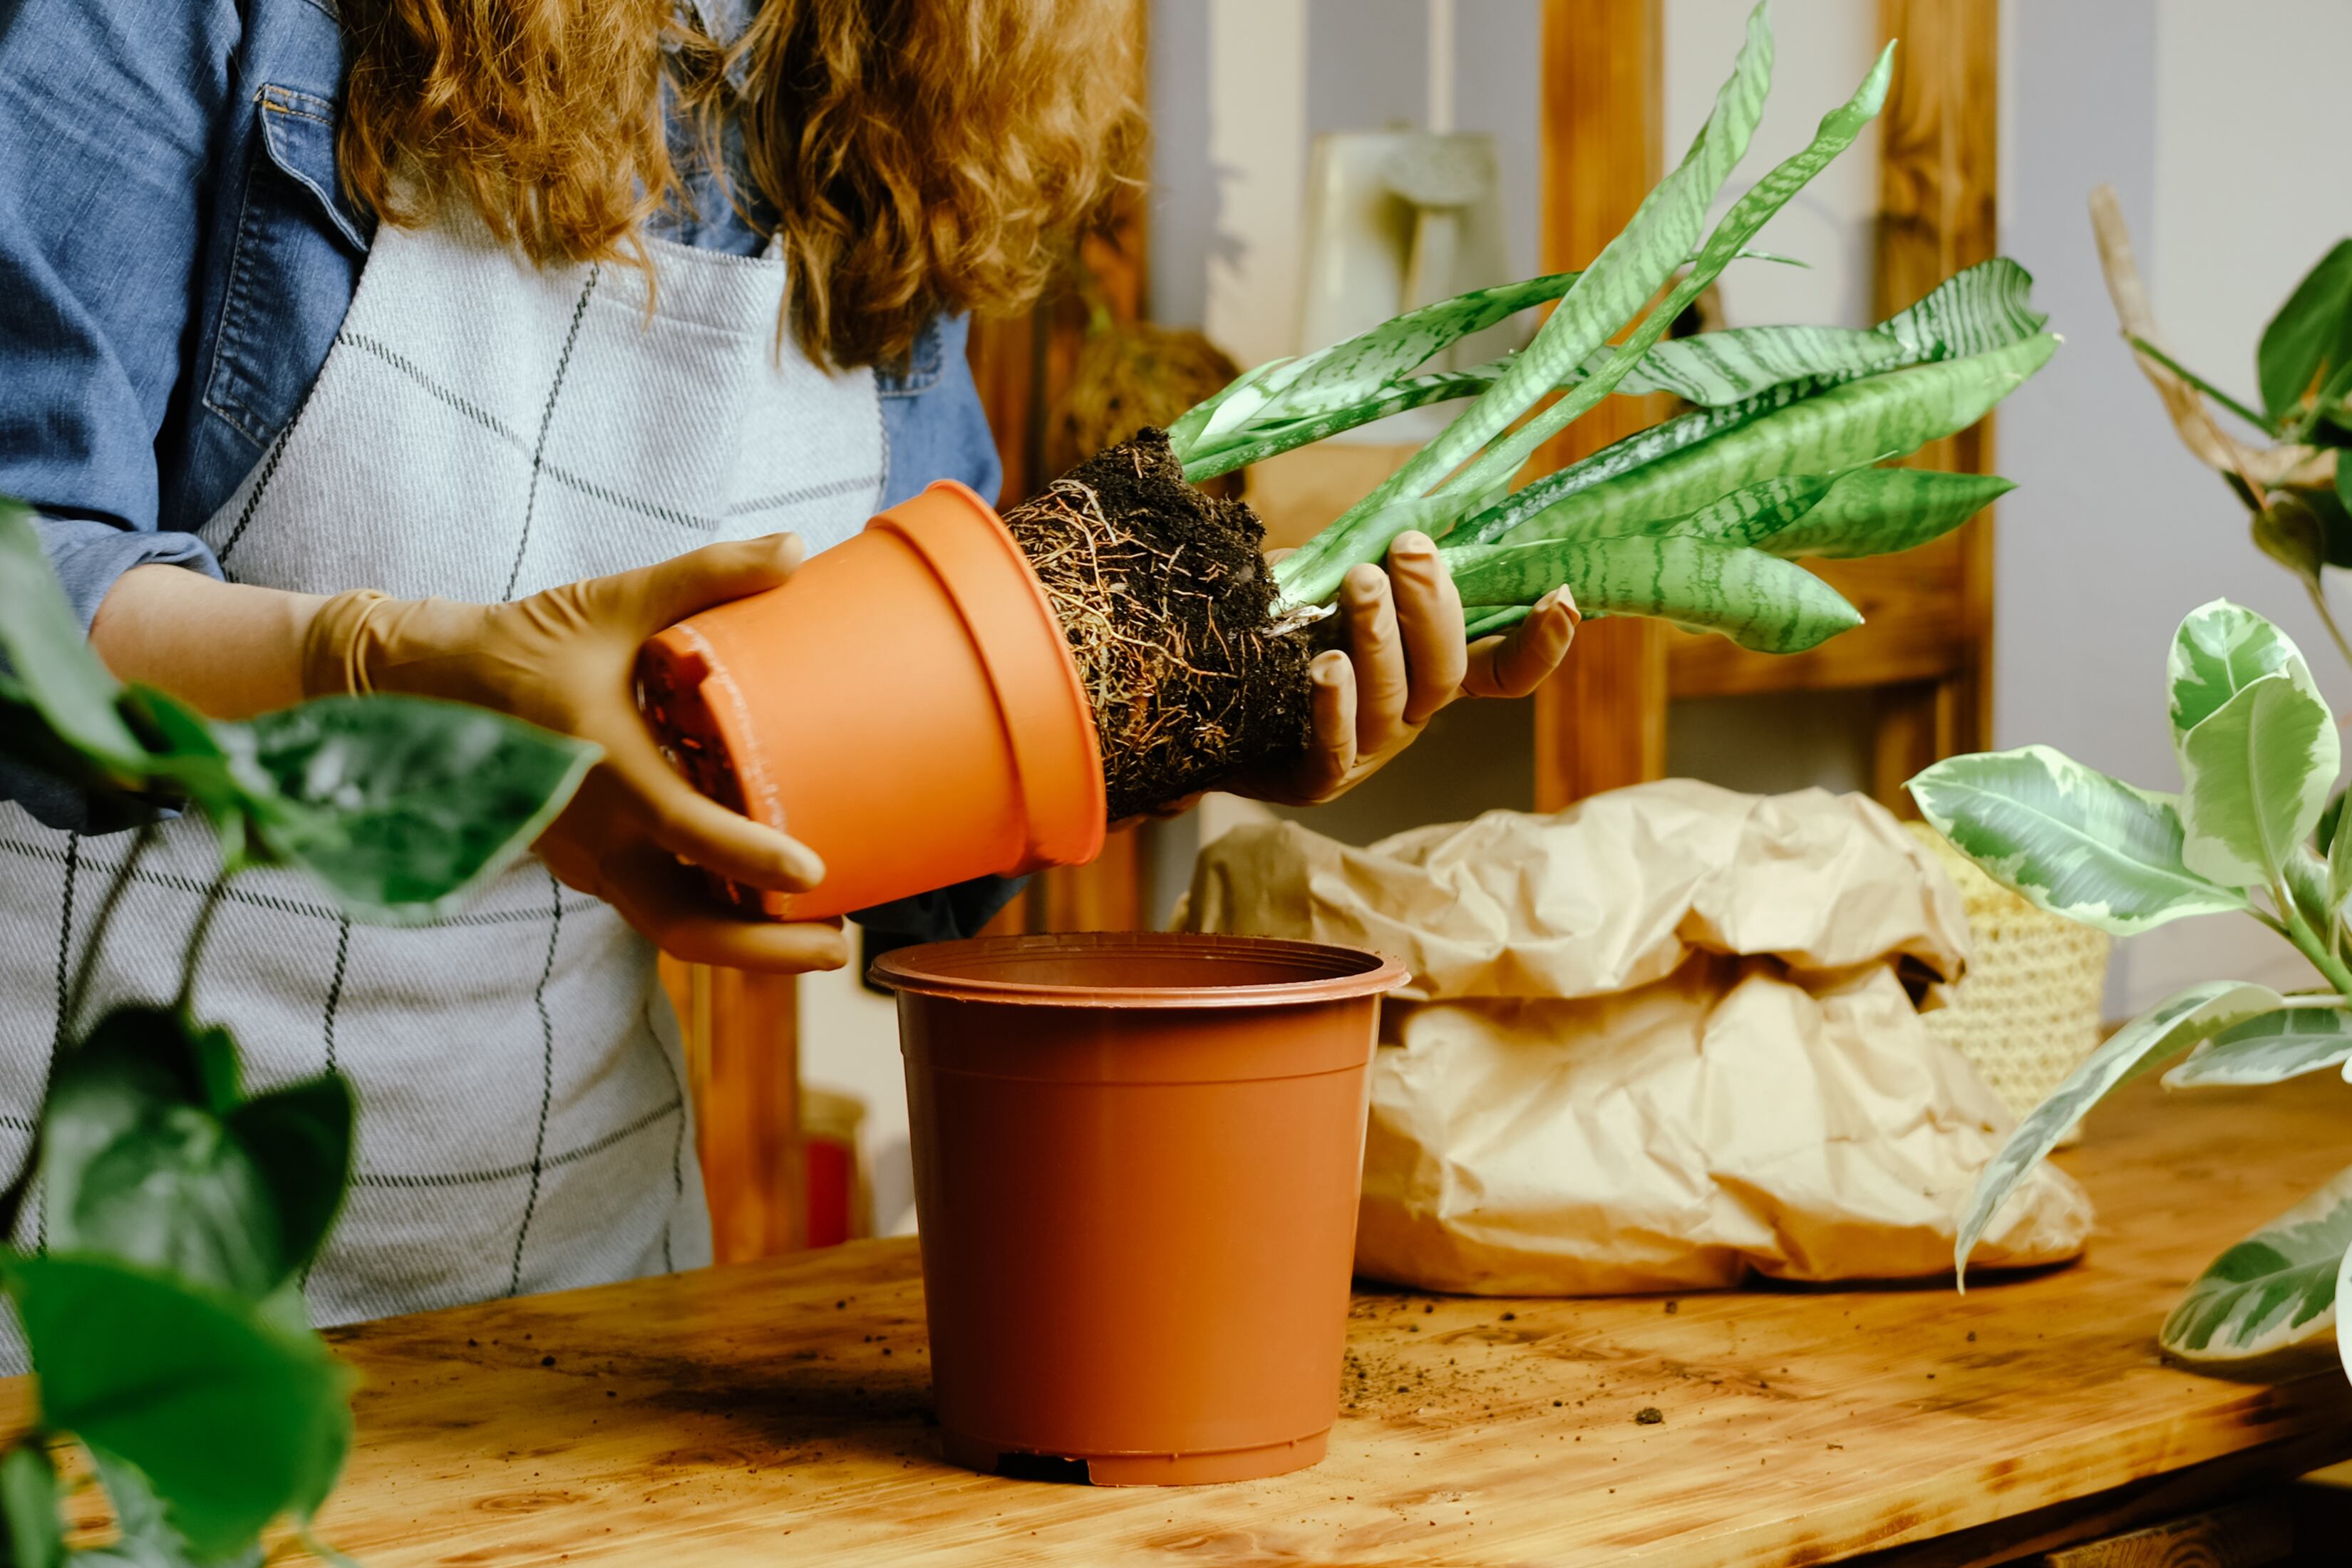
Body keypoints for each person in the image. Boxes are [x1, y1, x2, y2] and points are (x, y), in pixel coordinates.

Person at [0, 0, 1579, 1327]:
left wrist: (1191, 722)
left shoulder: (891, 86)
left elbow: (877, 846)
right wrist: (378, 667)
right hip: (83, 1277)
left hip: (566, 1301)